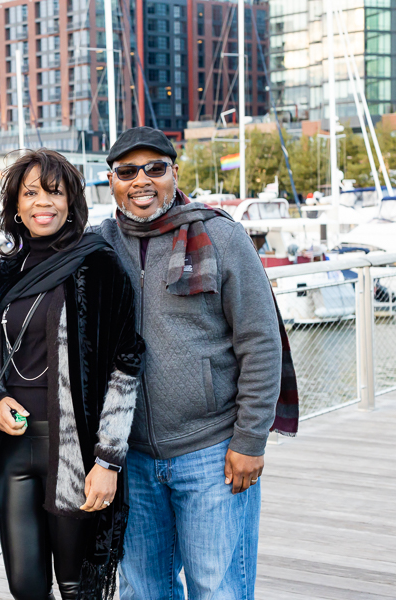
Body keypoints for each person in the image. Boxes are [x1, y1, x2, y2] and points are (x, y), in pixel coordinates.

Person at [94, 127, 287, 600]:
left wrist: (250, 440)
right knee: (143, 592)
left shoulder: (221, 235)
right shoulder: (99, 244)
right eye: (127, 172)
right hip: (131, 459)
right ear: (112, 181)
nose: (141, 180)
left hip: (212, 452)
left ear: (173, 173)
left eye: (154, 168)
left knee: (219, 590)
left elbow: (260, 342)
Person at [0, 149, 145, 600]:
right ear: (15, 205)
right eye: (30, 192)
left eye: (53, 192)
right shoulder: (6, 271)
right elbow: (0, 360)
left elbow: (125, 365)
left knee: (77, 588)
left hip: (75, 450)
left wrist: (108, 460)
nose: (42, 202)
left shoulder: (98, 263)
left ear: (71, 201)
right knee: (25, 586)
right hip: (16, 448)